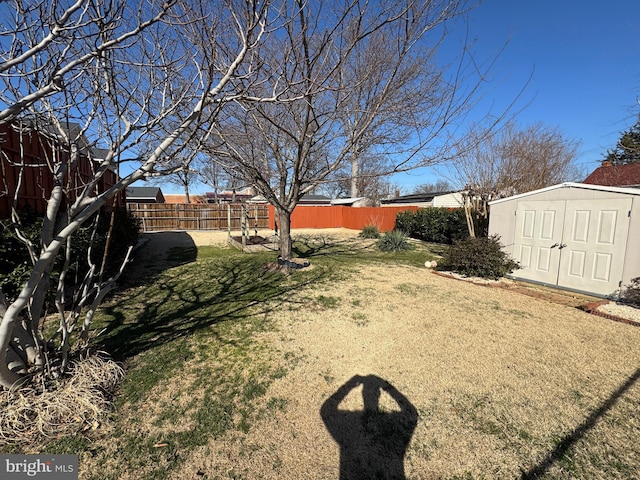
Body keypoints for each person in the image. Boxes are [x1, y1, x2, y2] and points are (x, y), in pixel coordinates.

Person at [320, 375, 418, 480]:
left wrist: (350, 384)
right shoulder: (391, 426)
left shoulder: (350, 431)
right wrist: (389, 388)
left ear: (363, 396)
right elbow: (411, 414)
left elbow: (326, 411)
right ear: (379, 395)